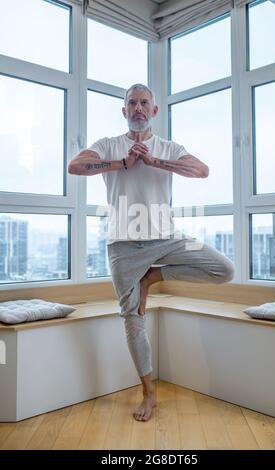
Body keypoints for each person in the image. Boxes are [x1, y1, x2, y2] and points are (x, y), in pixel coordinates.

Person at [68, 83, 234, 422]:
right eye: (133, 103)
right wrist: (121, 164)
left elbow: (201, 171)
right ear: (124, 110)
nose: (139, 108)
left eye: (145, 102)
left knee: (224, 269)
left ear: (154, 111)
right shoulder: (108, 145)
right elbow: (76, 166)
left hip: (166, 236)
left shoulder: (168, 147)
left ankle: (153, 277)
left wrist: (154, 160)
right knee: (133, 319)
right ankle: (149, 393)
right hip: (123, 245)